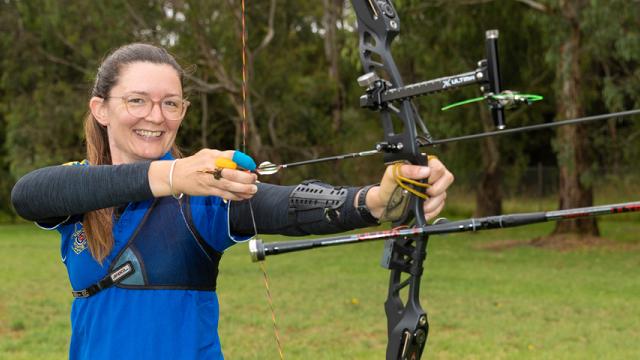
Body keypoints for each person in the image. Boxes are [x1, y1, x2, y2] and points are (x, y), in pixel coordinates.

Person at [11, 43, 454, 359]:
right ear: (101, 109)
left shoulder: (202, 191)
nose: (155, 116)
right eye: (137, 100)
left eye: (171, 103)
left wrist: (373, 200)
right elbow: (28, 195)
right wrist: (168, 174)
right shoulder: (78, 187)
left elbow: (280, 203)